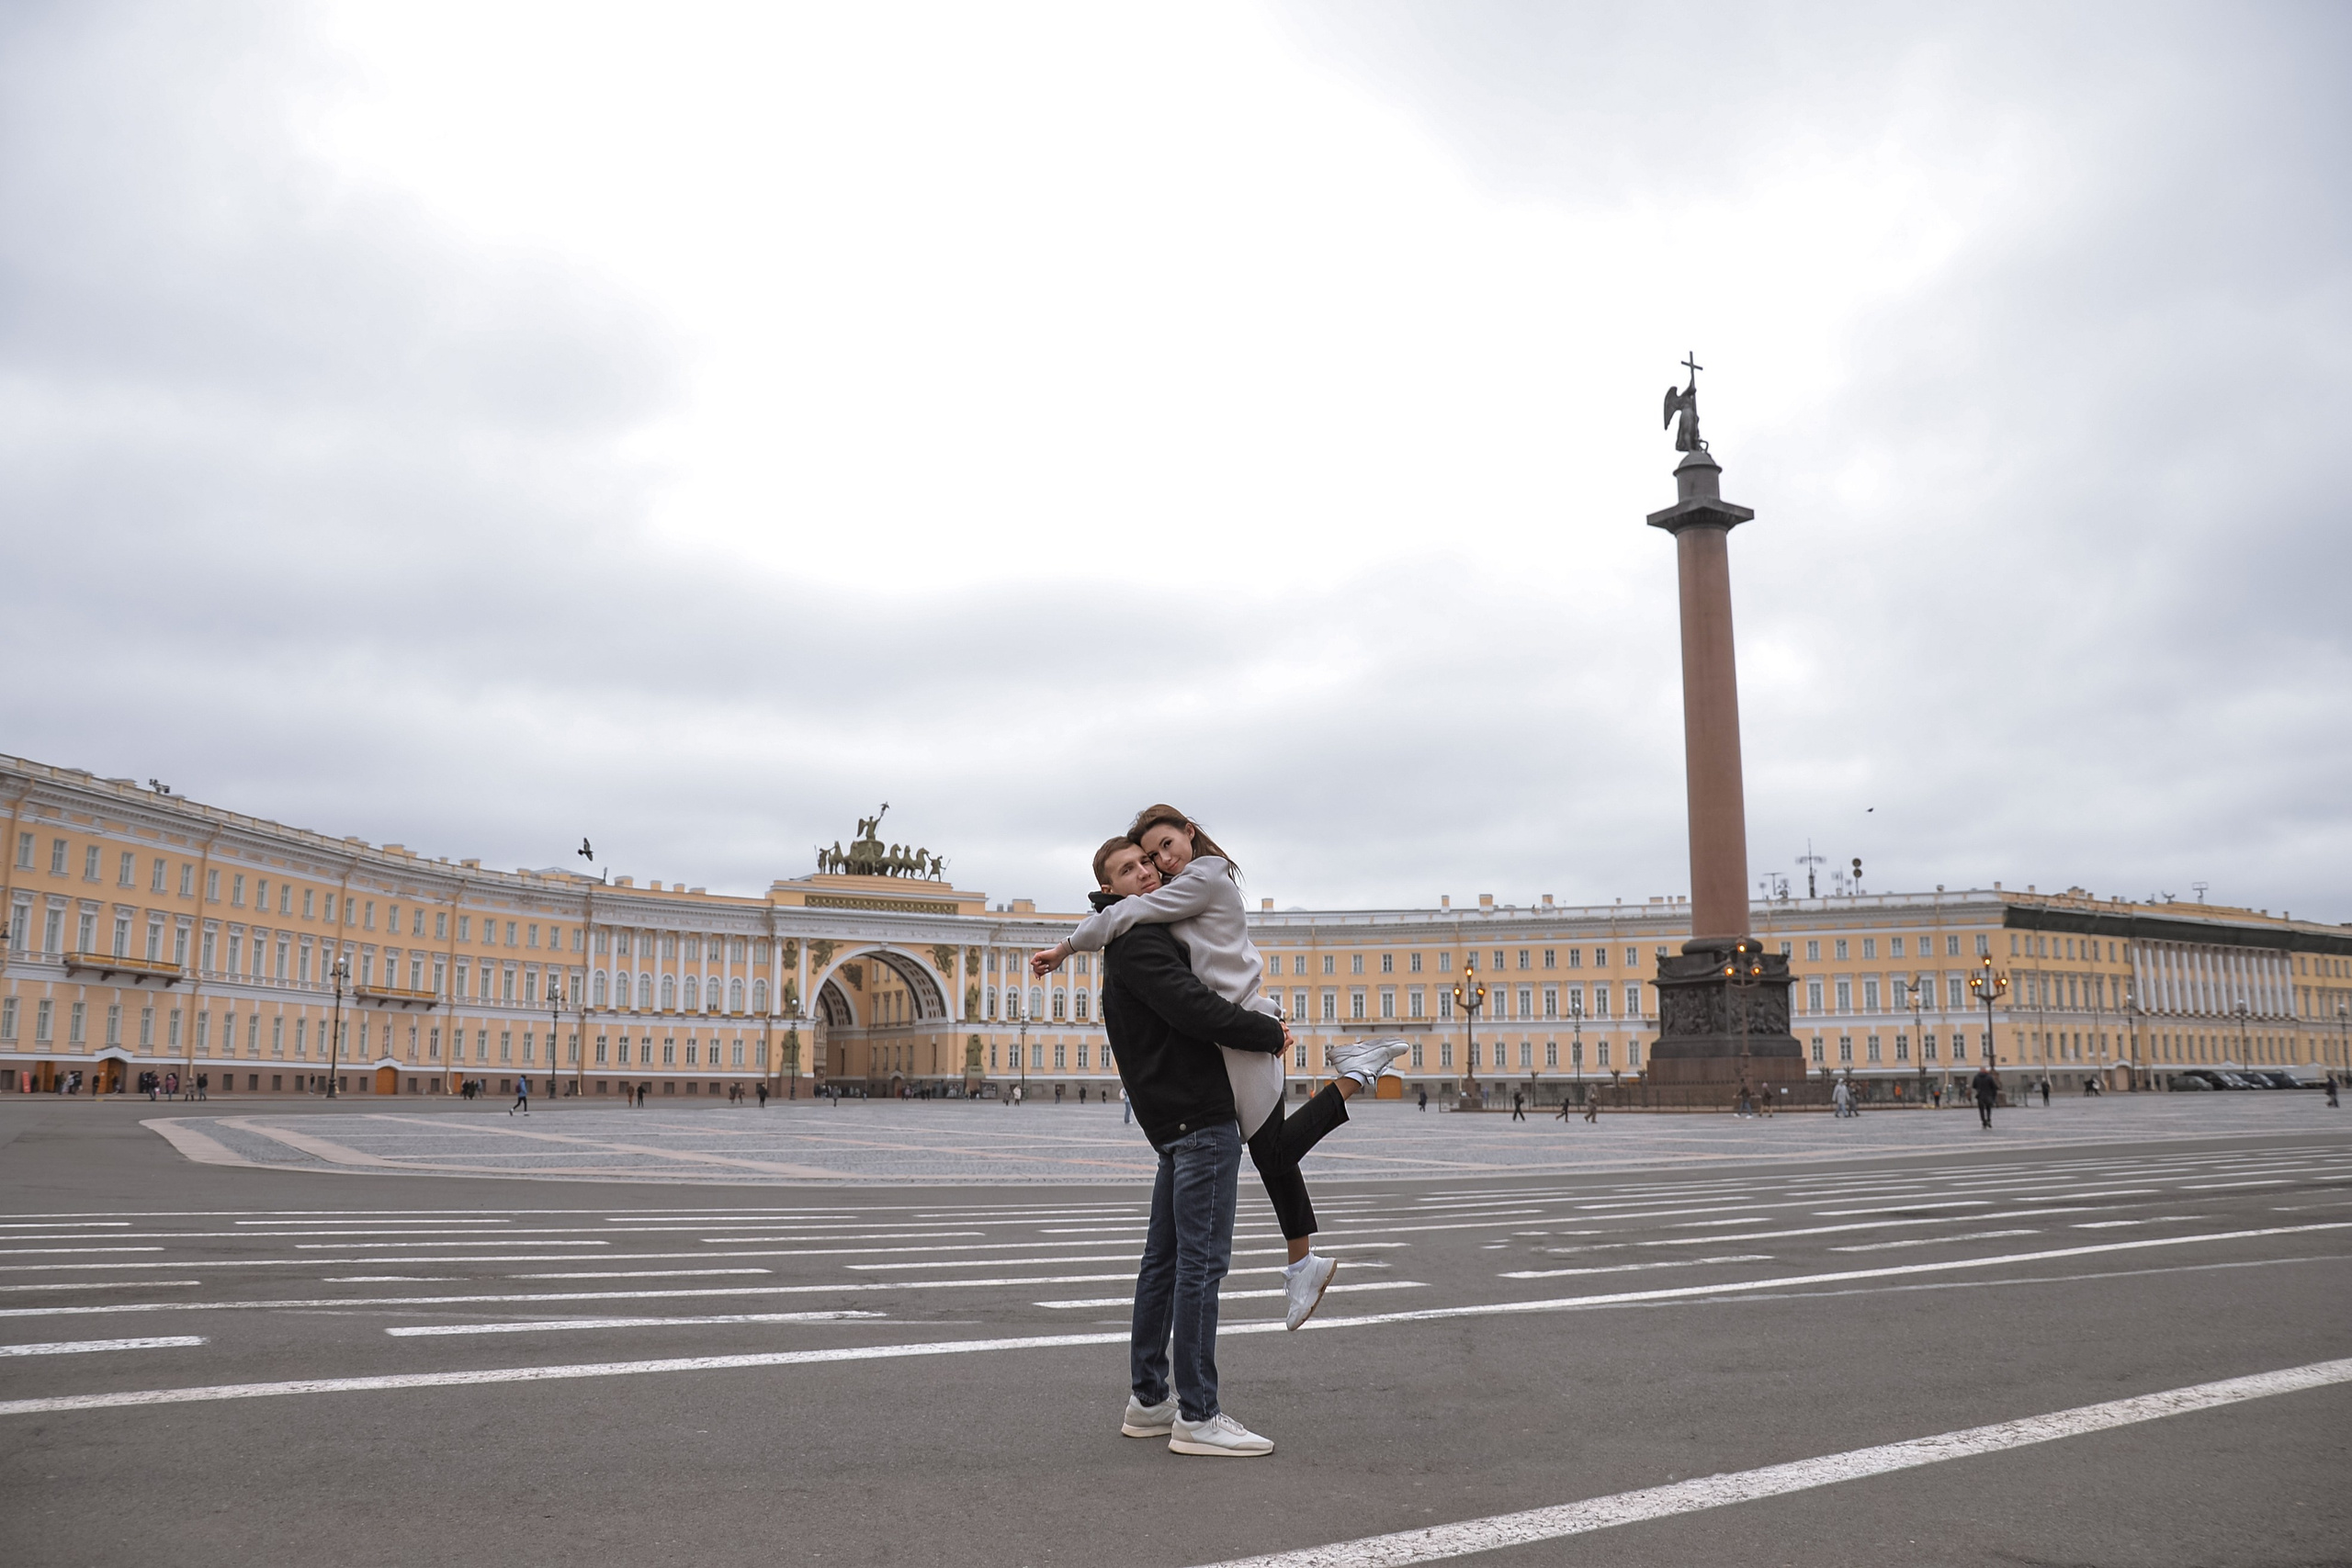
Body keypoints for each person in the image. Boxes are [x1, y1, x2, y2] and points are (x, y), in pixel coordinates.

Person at [1035, 808, 1406, 1332]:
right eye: (1151, 856)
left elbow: (1121, 917)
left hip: (1239, 1031)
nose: (1161, 862)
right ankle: (1302, 1263)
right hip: (1239, 1027)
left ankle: (1355, 1074)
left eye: (1164, 846)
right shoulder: (1187, 886)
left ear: (1190, 831)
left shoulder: (1202, 878)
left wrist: (1065, 948)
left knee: (1273, 1149)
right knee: (1273, 1149)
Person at [1092, 836, 1287, 1458]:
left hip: (1174, 1121)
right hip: (1198, 1117)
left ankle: (1149, 1400)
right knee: (1201, 1267)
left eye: (1146, 861)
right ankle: (1199, 1413)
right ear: (1110, 888)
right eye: (1128, 868)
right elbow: (1197, 1010)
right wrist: (1268, 1031)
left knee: (1165, 1262)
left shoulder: (1128, 939)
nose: (1144, 871)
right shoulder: (1144, 940)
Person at [1972, 1065, 2000, 1129]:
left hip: (1980, 1095)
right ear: (1985, 1070)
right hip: (1988, 1095)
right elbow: (1994, 1086)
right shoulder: (1989, 1077)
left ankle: (1983, 1122)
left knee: (1981, 1110)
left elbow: (1974, 1086)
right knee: (1988, 1109)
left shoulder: (1976, 1077)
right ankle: (1989, 1120)